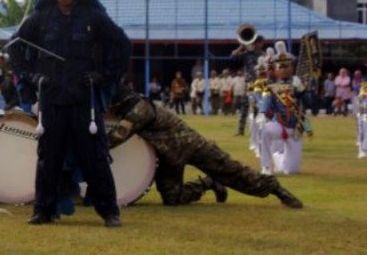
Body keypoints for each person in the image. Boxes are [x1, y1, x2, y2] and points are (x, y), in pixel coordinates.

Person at [8, 0, 129, 227]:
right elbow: (14, 47)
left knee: (95, 157)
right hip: (51, 99)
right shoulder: (40, 18)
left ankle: (109, 212)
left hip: (83, 101)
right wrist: (30, 76)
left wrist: (103, 76)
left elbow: (121, 45)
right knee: (48, 157)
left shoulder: (93, 17)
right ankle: (43, 210)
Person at [106, 87, 303, 209]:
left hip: (190, 144)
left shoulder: (140, 108)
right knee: (172, 199)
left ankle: (276, 189)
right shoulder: (127, 108)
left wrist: (91, 149)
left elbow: (118, 136)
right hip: (168, 155)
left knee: (234, 172)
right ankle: (208, 184)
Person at [259, 42, 312, 175]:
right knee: (264, 130)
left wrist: (302, 90)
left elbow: (310, 104)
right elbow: (266, 102)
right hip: (280, 125)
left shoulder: (297, 83)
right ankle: (266, 166)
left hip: (296, 128)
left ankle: (278, 157)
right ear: (275, 70)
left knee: (291, 171)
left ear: (292, 67)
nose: (283, 69)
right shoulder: (271, 86)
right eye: (280, 66)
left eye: (286, 66)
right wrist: (262, 114)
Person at [357, 79, 367, 159]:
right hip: (364, 113)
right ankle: (362, 151)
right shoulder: (365, 85)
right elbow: (360, 99)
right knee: (363, 132)